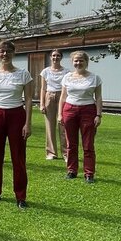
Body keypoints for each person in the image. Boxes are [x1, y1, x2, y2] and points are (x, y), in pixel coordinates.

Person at [0, 41, 33, 209]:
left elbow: (28, 100)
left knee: (18, 157)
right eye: (1, 51)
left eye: (8, 51)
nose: (5, 54)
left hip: (16, 114)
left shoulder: (23, 74)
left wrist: (28, 123)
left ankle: (20, 196)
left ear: (13, 53)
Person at [57, 51, 103, 183]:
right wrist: (60, 114)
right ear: (72, 62)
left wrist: (98, 115)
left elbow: (98, 97)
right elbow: (63, 97)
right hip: (69, 110)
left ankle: (89, 173)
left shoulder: (95, 78)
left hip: (88, 111)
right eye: (76, 61)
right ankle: (72, 170)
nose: (78, 63)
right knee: (71, 143)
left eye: (81, 60)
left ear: (86, 62)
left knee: (88, 144)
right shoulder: (67, 77)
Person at [39, 49, 69, 160]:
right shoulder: (45, 71)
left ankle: (66, 153)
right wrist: (42, 104)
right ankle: (51, 153)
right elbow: (43, 88)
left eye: (58, 55)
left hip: (63, 97)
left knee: (63, 125)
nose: (55, 57)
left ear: (61, 57)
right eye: (53, 56)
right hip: (49, 96)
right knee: (49, 126)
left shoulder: (67, 72)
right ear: (50, 57)